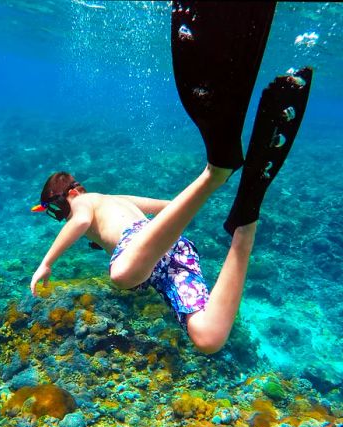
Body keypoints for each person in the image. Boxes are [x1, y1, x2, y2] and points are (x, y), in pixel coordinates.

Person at [29, 1, 313, 354]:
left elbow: (80, 221)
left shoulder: (85, 203)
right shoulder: (117, 199)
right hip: (167, 255)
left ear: (68, 195)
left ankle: (216, 172)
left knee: (120, 276)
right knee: (208, 339)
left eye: (57, 209)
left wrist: (47, 262)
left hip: (146, 250)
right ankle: (245, 226)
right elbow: (169, 208)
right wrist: (194, 209)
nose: (63, 217)